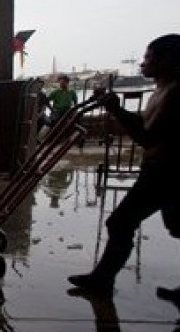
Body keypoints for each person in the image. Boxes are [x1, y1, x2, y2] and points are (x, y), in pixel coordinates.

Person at [67, 34, 180, 297]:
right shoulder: (162, 90)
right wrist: (116, 109)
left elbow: (148, 138)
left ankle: (102, 280)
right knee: (172, 225)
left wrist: (117, 111)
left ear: (167, 60)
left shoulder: (175, 93)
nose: (143, 64)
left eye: (148, 58)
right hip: (159, 170)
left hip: (168, 173)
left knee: (121, 223)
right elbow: (144, 126)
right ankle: (102, 279)